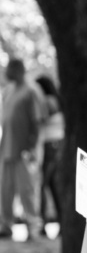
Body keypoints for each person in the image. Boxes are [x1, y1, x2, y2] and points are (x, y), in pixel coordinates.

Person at [0, 58, 47, 241]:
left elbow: (38, 122)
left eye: (9, 68)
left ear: (18, 69)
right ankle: (6, 224)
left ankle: (33, 226)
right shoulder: (8, 90)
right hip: (7, 148)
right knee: (5, 189)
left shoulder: (31, 90)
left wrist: (32, 147)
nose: (6, 72)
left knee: (27, 190)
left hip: (25, 150)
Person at [35, 75, 64, 234]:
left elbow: (39, 120)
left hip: (50, 145)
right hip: (56, 145)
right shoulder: (56, 100)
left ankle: (43, 224)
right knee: (53, 186)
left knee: (42, 184)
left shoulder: (48, 101)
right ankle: (61, 223)